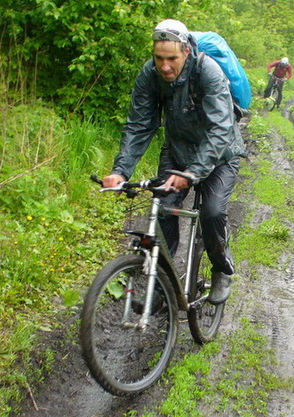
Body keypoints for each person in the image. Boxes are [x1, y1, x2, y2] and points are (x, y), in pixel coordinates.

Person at [103, 19, 246, 304]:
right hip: (177, 151)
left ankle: (222, 269)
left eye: (171, 59)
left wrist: (193, 172)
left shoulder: (208, 71)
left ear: (186, 52)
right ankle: (162, 286)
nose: (164, 66)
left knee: (212, 212)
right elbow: (139, 125)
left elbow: (220, 129)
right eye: (159, 58)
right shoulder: (150, 74)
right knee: (164, 210)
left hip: (220, 155)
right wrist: (121, 171)